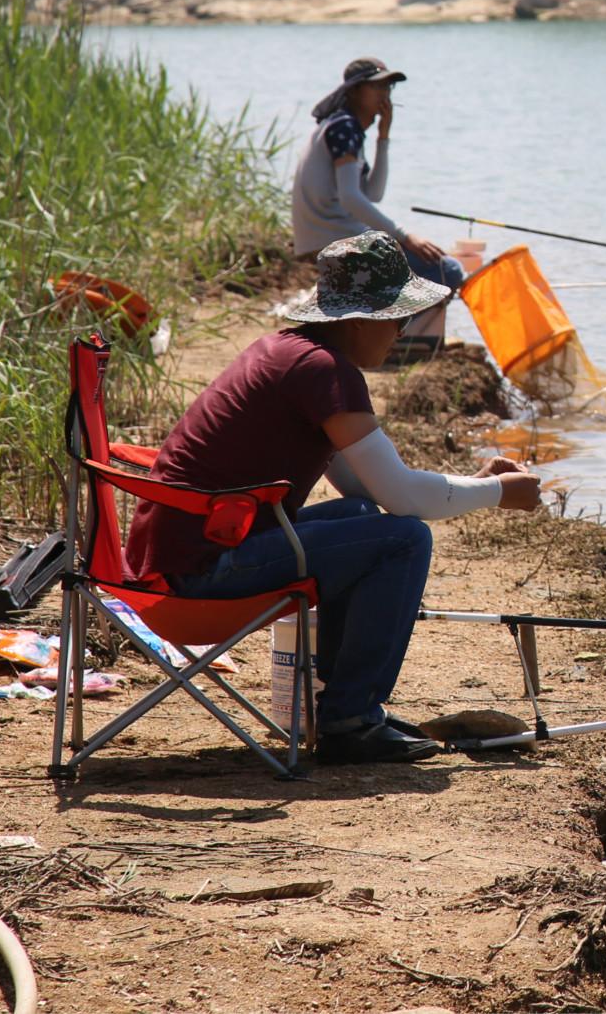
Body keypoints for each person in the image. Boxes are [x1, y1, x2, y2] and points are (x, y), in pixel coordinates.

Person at [125, 231, 542, 765]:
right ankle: (350, 719)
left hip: (182, 556)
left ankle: (341, 704)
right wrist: (497, 492)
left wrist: (475, 479)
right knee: (404, 541)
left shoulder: (291, 352)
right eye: (398, 317)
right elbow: (403, 498)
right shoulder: (325, 371)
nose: (401, 331)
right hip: (197, 575)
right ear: (360, 319)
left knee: (364, 517)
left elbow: (371, 490)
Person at [292, 56, 465, 290]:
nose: (384, 93)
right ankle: (397, 326)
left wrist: (383, 137)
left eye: (388, 86)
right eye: (376, 86)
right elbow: (350, 198)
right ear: (354, 91)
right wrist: (404, 237)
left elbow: (373, 194)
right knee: (448, 272)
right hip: (336, 239)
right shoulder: (344, 127)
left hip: (331, 237)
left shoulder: (343, 125)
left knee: (436, 270)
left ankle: (394, 323)